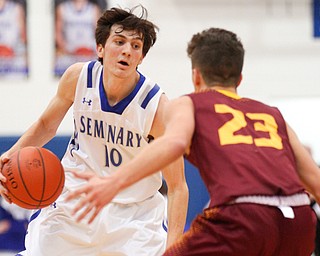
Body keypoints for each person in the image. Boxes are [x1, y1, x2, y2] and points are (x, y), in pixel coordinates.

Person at [66, 27, 320, 255]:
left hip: (243, 217)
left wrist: (115, 181)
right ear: (239, 79)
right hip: (298, 220)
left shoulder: (189, 103)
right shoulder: (273, 115)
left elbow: (173, 143)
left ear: (196, 77)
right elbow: (316, 184)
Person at [0, 6, 188, 256]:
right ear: (100, 48)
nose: (127, 51)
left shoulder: (156, 107)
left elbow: (177, 187)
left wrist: (174, 249)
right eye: (119, 42)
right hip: (74, 202)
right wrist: (7, 159)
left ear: (141, 57)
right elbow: (46, 126)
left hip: (133, 216)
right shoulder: (78, 78)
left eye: (135, 46)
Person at [54, 0, 102, 76]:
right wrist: (65, 49)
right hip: (69, 54)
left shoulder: (93, 9)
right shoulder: (62, 8)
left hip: (89, 53)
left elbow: (98, 33)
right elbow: (57, 32)